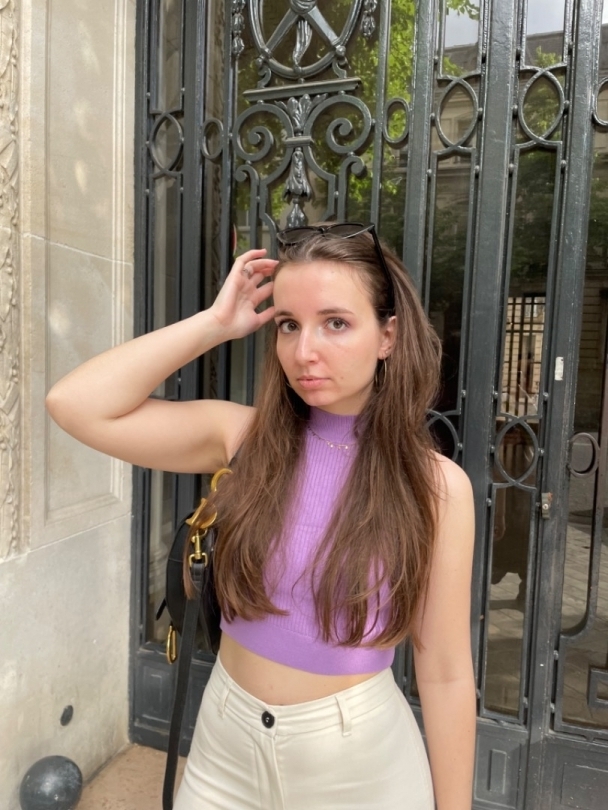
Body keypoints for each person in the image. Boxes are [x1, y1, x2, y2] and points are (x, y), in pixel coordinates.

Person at [46, 223, 476, 810]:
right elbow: (74, 405)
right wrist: (214, 325)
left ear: (388, 335)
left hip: (358, 767)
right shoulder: (243, 438)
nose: (304, 352)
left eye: (336, 323)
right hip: (225, 747)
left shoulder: (436, 488)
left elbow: (446, 673)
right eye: (289, 325)